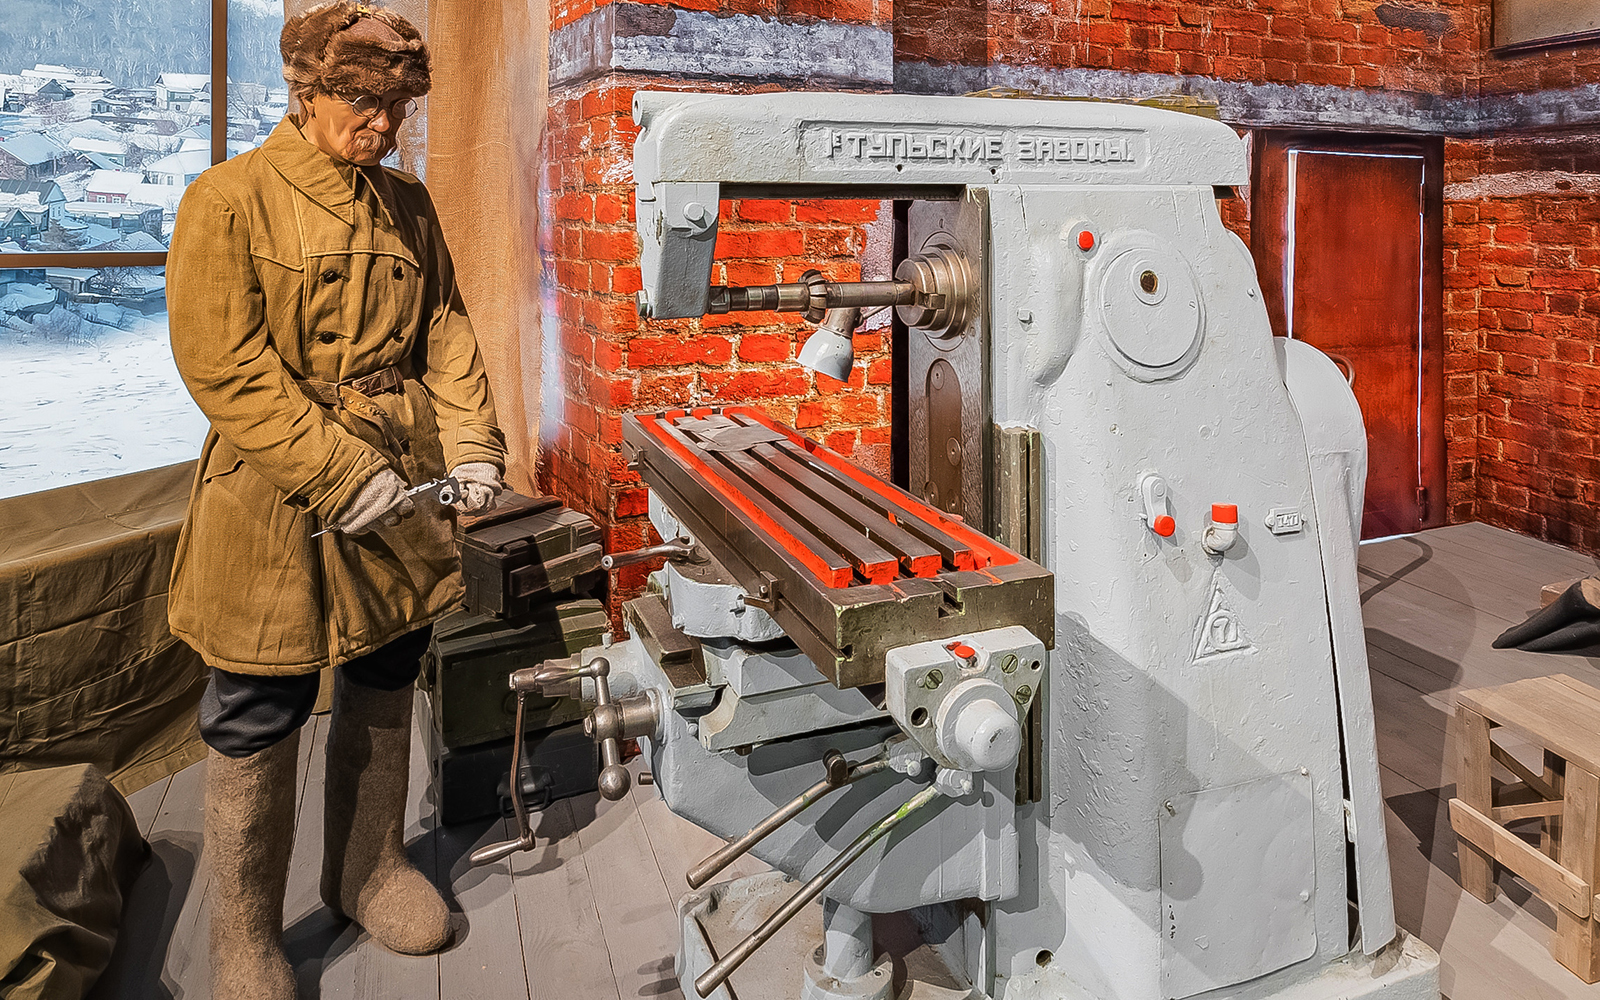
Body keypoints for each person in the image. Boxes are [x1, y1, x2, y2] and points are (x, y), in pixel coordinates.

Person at [165, 3, 506, 995]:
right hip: (271, 494)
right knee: (257, 703)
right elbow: (223, 366)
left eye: (398, 105)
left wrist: (473, 443)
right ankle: (245, 936)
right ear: (304, 91)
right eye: (363, 100)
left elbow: (444, 329)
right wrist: (340, 471)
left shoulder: (408, 204)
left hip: (401, 478)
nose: (384, 124)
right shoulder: (226, 201)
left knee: (388, 666)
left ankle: (368, 868)